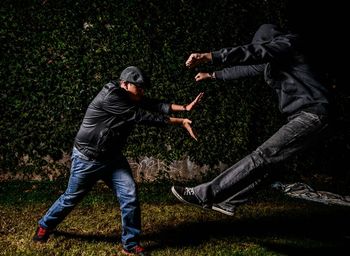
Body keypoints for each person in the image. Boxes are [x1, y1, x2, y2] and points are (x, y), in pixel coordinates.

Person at [33, 66, 203, 255]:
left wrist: (185, 108)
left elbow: (152, 104)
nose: (142, 91)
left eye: (143, 87)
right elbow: (140, 116)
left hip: (112, 158)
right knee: (71, 198)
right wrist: (180, 122)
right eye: (138, 87)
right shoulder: (111, 97)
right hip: (87, 159)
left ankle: (129, 244)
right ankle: (45, 225)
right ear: (124, 84)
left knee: (129, 196)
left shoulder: (131, 95)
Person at [171, 24, 330, 216]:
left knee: (263, 155)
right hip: (303, 117)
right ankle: (229, 202)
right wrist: (213, 74)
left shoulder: (289, 43)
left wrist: (210, 56)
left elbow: (254, 52)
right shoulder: (273, 59)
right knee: (270, 168)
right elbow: (247, 68)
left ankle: (204, 194)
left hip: (314, 114)